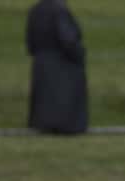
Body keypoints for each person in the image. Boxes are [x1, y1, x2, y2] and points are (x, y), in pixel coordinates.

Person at [25, 0, 88, 135]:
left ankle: (44, 124)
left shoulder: (35, 10)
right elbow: (68, 40)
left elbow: (30, 44)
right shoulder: (60, 11)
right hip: (61, 63)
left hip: (41, 61)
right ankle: (65, 125)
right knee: (61, 97)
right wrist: (79, 54)